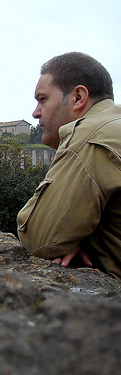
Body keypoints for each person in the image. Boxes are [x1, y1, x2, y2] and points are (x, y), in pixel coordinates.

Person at [17, 52, 121, 280]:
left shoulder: (89, 137)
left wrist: (70, 236)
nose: (35, 112)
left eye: (42, 99)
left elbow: (40, 240)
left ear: (78, 97)